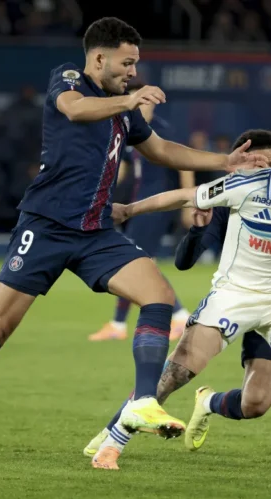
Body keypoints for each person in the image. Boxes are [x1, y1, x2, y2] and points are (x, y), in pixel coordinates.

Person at [0, 17, 268, 463]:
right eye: (127, 62)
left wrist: (225, 161)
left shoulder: (123, 110)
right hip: (44, 226)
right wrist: (129, 99)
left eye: (135, 65)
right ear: (99, 57)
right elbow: (75, 109)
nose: (132, 72)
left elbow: (160, 149)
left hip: (96, 230)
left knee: (158, 296)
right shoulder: (68, 79)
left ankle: (141, 402)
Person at [91, 116, 271, 470]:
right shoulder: (247, 187)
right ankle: (110, 444)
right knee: (176, 373)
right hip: (233, 297)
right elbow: (186, 196)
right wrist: (130, 209)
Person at [88, 83, 193, 342]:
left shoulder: (164, 130)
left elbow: (185, 164)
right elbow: (122, 166)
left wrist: (191, 203)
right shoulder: (128, 128)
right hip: (138, 204)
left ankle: (170, 317)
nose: (142, 106)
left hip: (158, 204)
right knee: (140, 263)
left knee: (135, 262)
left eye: (147, 102)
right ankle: (172, 317)